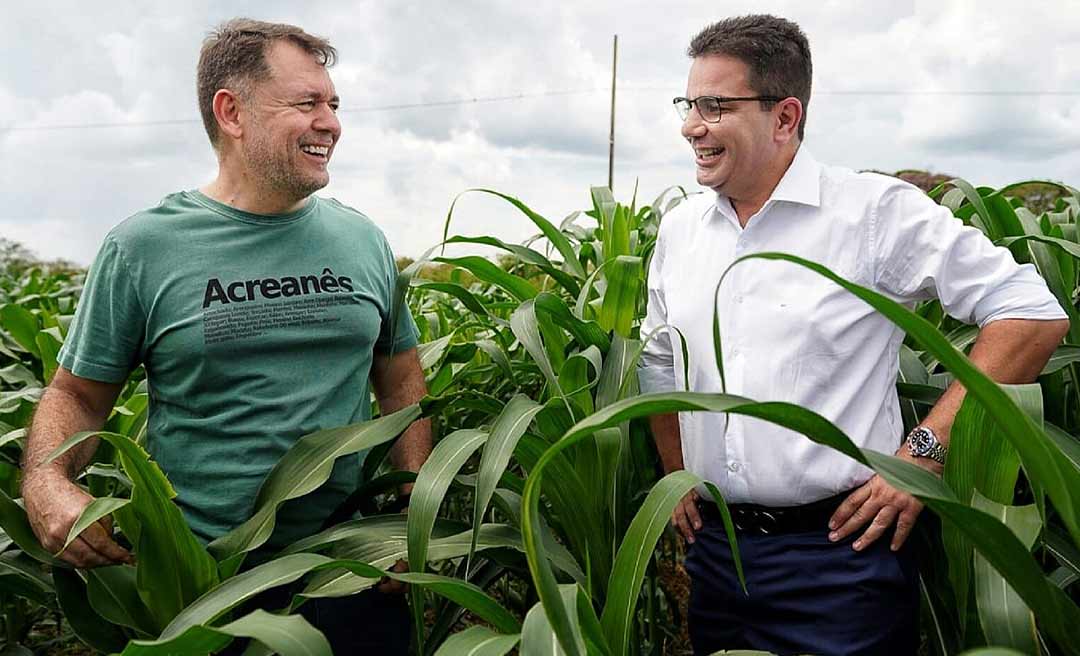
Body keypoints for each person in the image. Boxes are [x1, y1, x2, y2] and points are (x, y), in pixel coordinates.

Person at [638, 14, 1070, 656]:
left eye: (715, 106)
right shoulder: (681, 231)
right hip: (717, 559)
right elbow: (659, 363)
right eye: (688, 104)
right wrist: (678, 475)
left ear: (785, 117)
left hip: (840, 558)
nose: (691, 126)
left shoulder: (872, 214)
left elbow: (1030, 313)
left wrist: (923, 452)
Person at [20, 19, 429, 654]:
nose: (330, 123)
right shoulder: (143, 248)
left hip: (351, 569)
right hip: (201, 581)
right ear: (231, 112)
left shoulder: (362, 240)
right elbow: (77, 394)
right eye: (307, 103)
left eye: (334, 104)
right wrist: (46, 482)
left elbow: (401, 380)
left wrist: (413, 511)